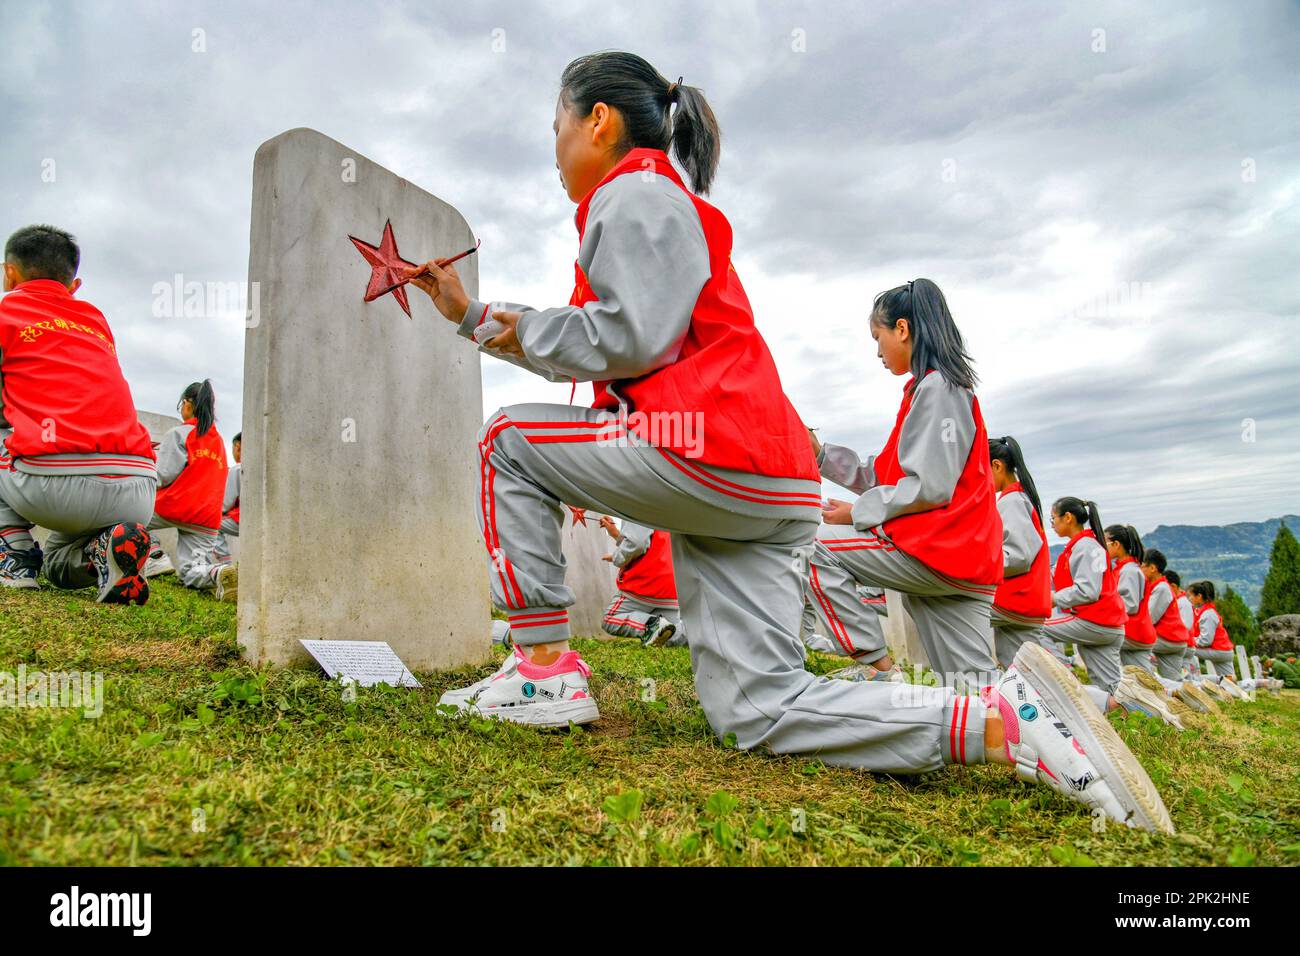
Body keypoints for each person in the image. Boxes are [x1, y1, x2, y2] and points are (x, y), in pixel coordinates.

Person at [404, 51, 1170, 830]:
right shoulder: (659, 202)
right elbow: (621, 335)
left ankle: (540, 670)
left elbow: (628, 336)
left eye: (557, 124)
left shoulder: (631, 190)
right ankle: (1006, 724)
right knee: (757, 710)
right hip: (762, 482)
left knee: (505, 438)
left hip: (704, 450)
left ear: (597, 120)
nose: (554, 145)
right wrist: (475, 314)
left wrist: (494, 324)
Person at [809, 278, 1002, 690]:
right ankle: (1056, 717)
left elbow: (930, 487)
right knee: (980, 691)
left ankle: (879, 670)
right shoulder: (931, 389)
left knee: (812, 544)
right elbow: (886, 474)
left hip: (941, 552)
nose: (878, 352)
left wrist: (856, 514)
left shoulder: (939, 390)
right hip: (961, 561)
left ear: (902, 329)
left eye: (877, 338)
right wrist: (821, 454)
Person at [0, 224, 154, 604]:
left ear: (9, 272)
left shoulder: (7, 311)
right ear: (74, 284)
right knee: (57, 561)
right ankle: (103, 551)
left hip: (53, 482)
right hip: (136, 490)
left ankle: (14, 553)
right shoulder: (95, 320)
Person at [144, 381, 237, 601]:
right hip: (205, 519)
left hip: (173, 507)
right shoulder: (218, 441)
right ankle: (218, 572)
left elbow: (161, 475)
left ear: (187, 404)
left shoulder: (180, 434)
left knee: (125, 515)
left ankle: (154, 553)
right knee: (192, 571)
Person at [987, 436, 1051, 669]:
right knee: (1025, 673)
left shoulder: (1012, 500)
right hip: (1022, 602)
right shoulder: (1020, 497)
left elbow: (1018, 556)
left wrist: (977, 564)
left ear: (997, 466)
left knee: (953, 608)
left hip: (1015, 600)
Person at [598, 515, 682, 647]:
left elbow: (637, 543)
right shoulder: (667, 505)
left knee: (610, 619)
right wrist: (617, 535)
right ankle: (695, 637)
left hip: (645, 583)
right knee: (672, 632)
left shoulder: (636, 500)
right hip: (670, 585)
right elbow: (651, 543)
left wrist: (617, 557)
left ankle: (652, 625)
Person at [1105, 525, 1157, 673]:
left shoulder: (1129, 571)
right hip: (1135, 631)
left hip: (1134, 631)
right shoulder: (1126, 569)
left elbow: (1130, 605)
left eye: (1105, 541)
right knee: (1143, 678)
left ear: (1116, 544)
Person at [1189, 581, 1235, 677]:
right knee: (1229, 681)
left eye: (1191, 595)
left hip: (1219, 651)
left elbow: (1206, 640)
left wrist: (1189, 640)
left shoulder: (1208, 615)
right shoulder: (1208, 611)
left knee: (1186, 648)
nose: (1190, 598)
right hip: (1224, 651)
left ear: (1199, 596)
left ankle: (1192, 675)